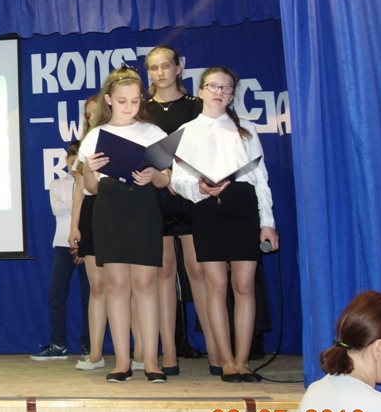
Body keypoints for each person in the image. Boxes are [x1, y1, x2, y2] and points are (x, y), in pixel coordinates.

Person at [170, 66, 278, 382]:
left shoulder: (245, 128)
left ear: (232, 95)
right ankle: (226, 361)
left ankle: (243, 361)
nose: (219, 92)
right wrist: (199, 189)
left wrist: (267, 222)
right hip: (208, 210)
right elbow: (178, 180)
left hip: (243, 207)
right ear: (200, 91)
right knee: (215, 286)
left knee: (244, 286)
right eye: (213, 86)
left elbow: (260, 178)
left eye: (226, 88)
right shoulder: (187, 131)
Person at [78, 65, 169, 383]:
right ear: (108, 100)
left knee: (145, 284)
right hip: (109, 208)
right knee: (116, 285)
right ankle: (121, 361)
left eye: (134, 100)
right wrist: (91, 170)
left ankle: (151, 361)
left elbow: (165, 180)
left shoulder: (152, 133)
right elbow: (90, 188)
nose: (128, 106)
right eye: (121, 101)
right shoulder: (95, 136)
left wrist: (153, 174)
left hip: (143, 208)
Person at [143, 45, 209, 373]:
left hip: (191, 193)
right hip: (156, 196)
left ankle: (216, 348)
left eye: (165, 66)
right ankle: (168, 351)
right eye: (153, 68)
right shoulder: (142, 110)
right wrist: (161, 174)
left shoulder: (197, 106)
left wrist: (180, 174)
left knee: (199, 270)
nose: (160, 73)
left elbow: (208, 148)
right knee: (164, 271)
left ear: (178, 68)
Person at [31, 141, 90, 361]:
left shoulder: (91, 184)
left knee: (90, 296)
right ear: (66, 161)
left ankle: (89, 344)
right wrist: (78, 199)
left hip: (88, 245)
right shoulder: (57, 184)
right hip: (62, 245)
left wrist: (76, 199)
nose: (74, 167)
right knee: (56, 294)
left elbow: (89, 211)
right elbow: (57, 209)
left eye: (79, 162)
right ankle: (58, 344)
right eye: (72, 161)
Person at [69, 95, 110, 371]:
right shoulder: (86, 145)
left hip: (119, 209)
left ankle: (141, 353)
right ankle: (95, 353)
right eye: (87, 114)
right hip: (91, 214)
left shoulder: (121, 137)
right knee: (97, 286)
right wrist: (74, 226)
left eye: (96, 111)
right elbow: (79, 192)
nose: (91, 116)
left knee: (127, 285)